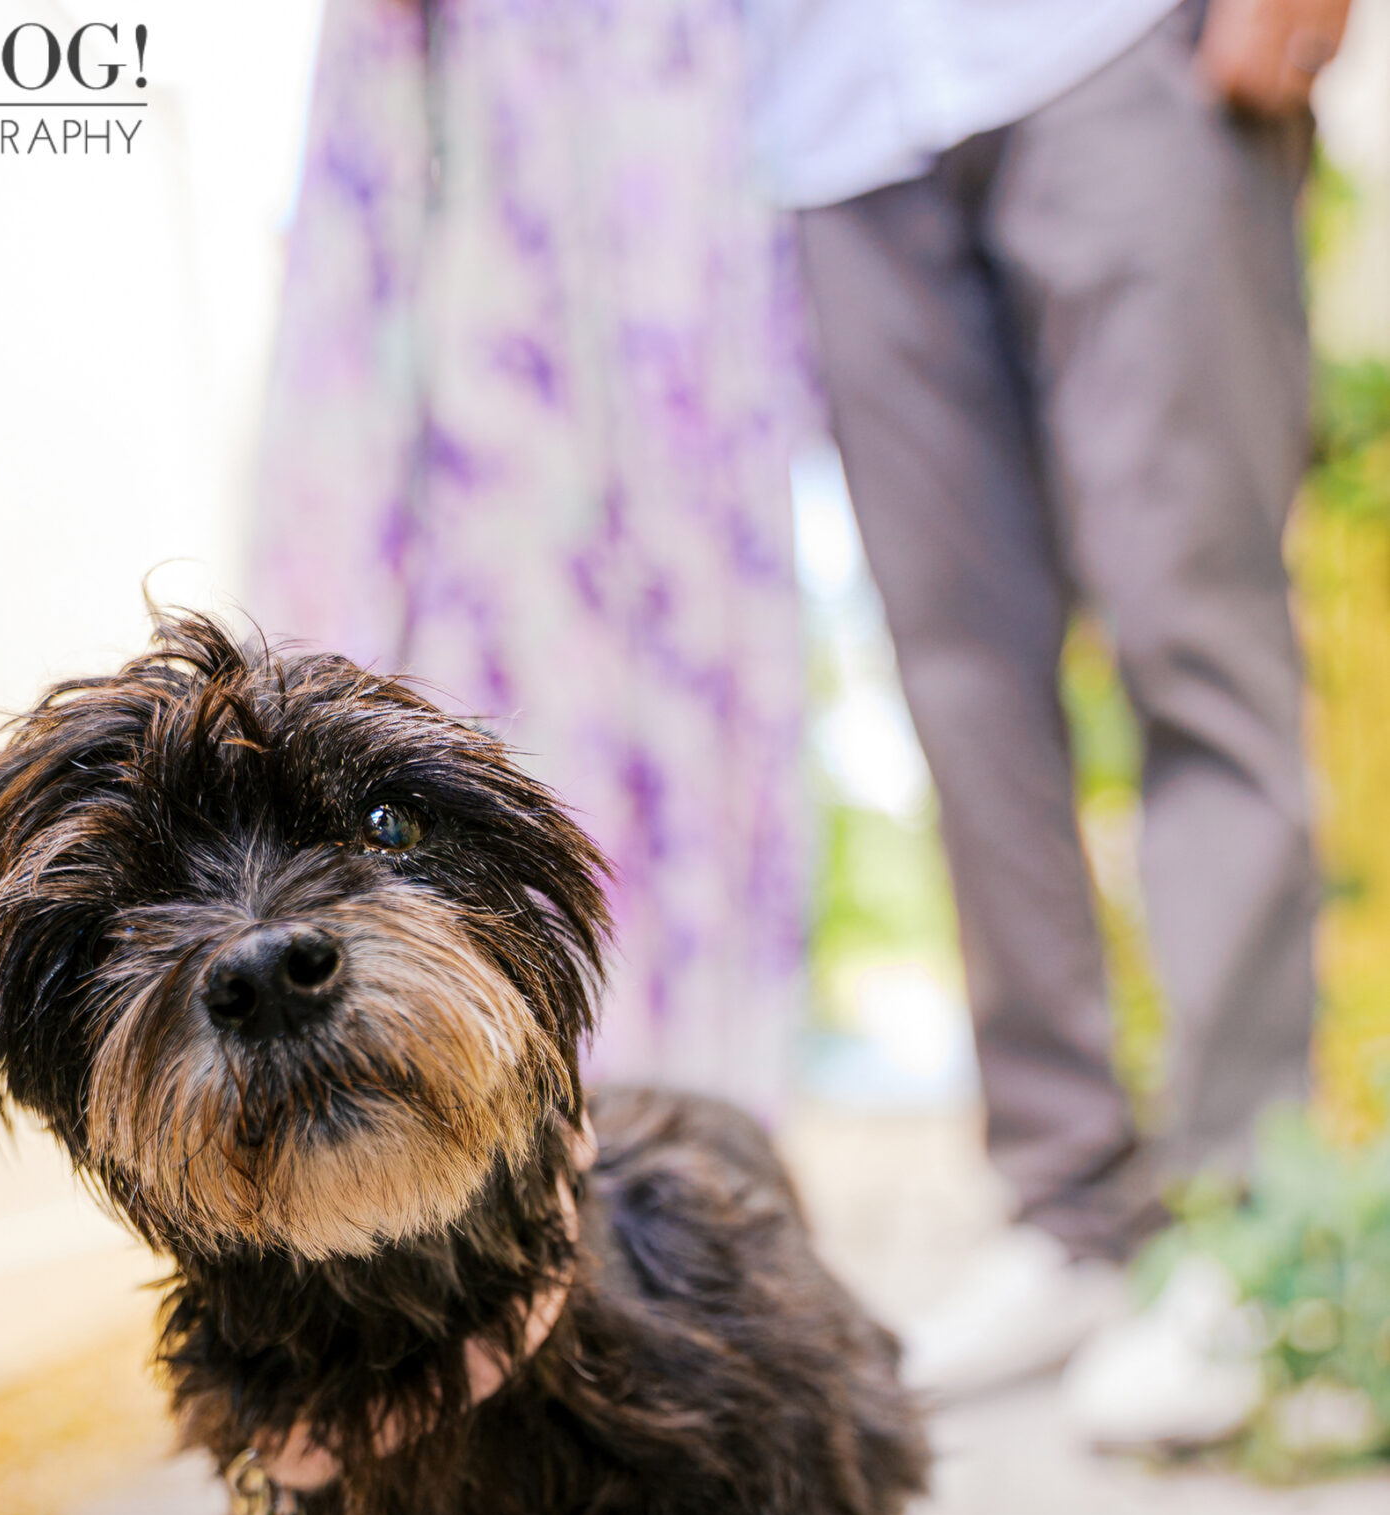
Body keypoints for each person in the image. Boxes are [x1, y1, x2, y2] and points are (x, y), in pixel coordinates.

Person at [743, 0, 1351, 1442]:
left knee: (1191, 631)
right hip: (828, 117)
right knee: (955, 687)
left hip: (1110, 47)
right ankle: (1070, 1205)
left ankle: (1240, 1224)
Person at [248, 0, 815, 1119]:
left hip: (688, 451)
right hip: (501, 451)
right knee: (521, 782)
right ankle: (556, 1146)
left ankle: (701, 1146)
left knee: (700, 800)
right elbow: (353, 204)